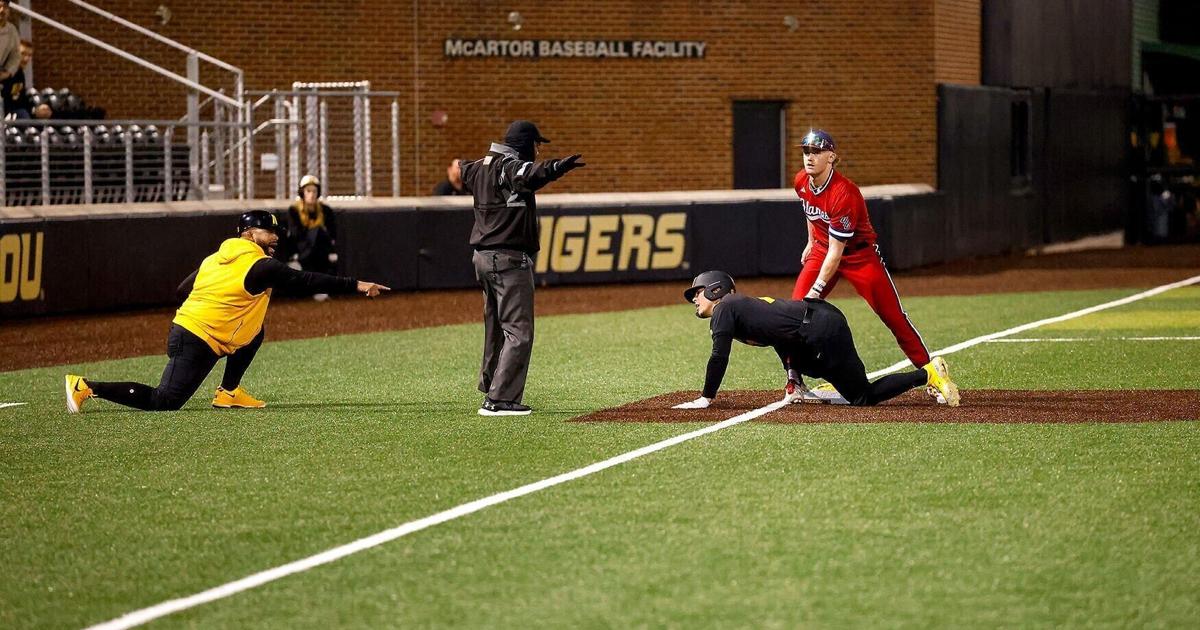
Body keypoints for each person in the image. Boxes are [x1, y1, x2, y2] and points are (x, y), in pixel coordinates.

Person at [65, 211, 389, 413]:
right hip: (197, 338)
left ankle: (228, 392)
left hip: (201, 331)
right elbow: (304, 280)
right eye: (267, 231)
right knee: (165, 401)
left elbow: (182, 291)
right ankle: (87, 386)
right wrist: (357, 285)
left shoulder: (214, 258)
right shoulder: (258, 264)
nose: (275, 237)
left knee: (254, 329)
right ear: (248, 234)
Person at [790, 129, 948, 402]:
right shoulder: (801, 181)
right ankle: (795, 381)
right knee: (794, 314)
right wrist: (810, 240)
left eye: (816, 152)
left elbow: (837, 254)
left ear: (831, 157)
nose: (809, 157)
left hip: (859, 256)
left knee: (893, 316)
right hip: (822, 248)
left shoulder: (844, 194)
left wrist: (816, 290)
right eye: (806, 152)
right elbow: (809, 210)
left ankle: (931, 371)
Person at [673, 270, 959, 410]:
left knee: (862, 396)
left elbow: (719, 356)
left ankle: (929, 373)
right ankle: (925, 375)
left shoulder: (725, 308)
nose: (694, 300)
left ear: (715, 290)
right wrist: (793, 381)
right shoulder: (739, 309)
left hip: (818, 329)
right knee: (854, 392)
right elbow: (780, 339)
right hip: (817, 326)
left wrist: (706, 397)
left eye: (696, 293)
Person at [459, 120, 585, 416]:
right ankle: (500, 400)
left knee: (496, 329)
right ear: (523, 144)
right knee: (519, 331)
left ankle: (492, 385)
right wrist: (558, 167)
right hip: (508, 259)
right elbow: (530, 174)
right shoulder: (508, 165)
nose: (538, 150)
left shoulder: (479, 166)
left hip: (483, 258)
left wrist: (460, 167)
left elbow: (462, 170)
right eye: (536, 144)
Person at [280, 174, 339, 299]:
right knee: (318, 233)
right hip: (302, 247)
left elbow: (332, 233)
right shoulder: (293, 211)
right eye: (308, 191)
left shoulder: (326, 210)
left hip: (320, 249)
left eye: (314, 191)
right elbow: (296, 234)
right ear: (302, 193)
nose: (311, 194)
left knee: (320, 236)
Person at [1, 39, 30, 119]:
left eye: (29, 55)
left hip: (10, 111)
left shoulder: (19, 74)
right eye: (23, 54)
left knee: (23, 114)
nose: (26, 59)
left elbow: (19, 97)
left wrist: (35, 110)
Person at [0, 1, 20, 87]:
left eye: (5, 7)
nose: (2, 10)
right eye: (0, 6)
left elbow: (15, 56)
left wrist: (7, 73)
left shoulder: (12, 30)